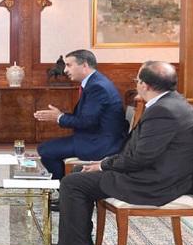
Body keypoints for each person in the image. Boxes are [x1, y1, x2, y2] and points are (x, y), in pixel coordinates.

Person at [37, 61, 193, 245]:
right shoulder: (173, 102)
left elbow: (140, 158)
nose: (136, 83)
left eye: (137, 80)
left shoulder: (163, 111)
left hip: (155, 183)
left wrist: (104, 165)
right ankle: (78, 243)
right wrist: (103, 164)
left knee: (73, 183)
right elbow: (139, 152)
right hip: (160, 173)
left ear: (144, 85)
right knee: (79, 173)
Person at [34, 49, 127, 180]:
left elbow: (87, 122)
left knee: (46, 150)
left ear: (84, 65)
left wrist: (59, 117)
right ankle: (63, 184)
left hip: (99, 143)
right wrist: (60, 116)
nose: (65, 70)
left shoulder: (97, 87)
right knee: (45, 147)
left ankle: (62, 186)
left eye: (69, 65)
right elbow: (86, 118)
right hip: (95, 137)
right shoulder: (95, 82)